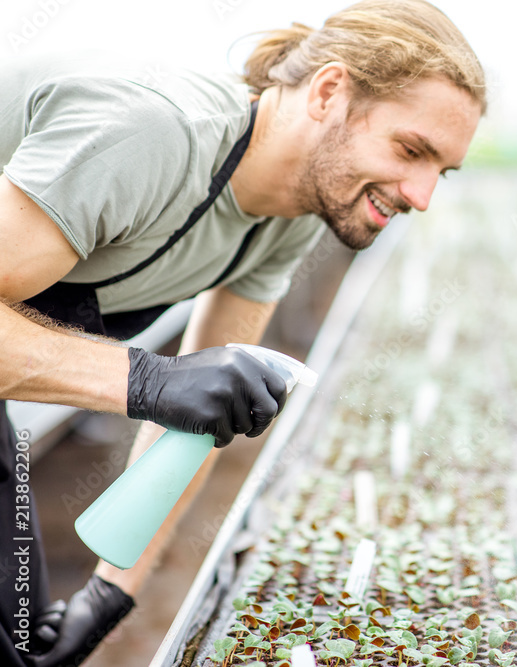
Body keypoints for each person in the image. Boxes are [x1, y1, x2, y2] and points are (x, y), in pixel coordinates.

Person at [0, 0, 486, 664]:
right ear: (328, 91)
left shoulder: (291, 215)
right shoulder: (149, 137)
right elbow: (169, 389)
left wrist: (112, 592)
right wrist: (147, 378)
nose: (423, 195)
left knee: (17, 632)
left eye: (442, 171)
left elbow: (198, 420)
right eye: (411, 150)